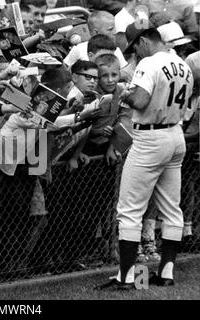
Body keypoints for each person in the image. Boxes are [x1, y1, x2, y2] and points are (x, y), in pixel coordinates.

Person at [97, 23, 194, 290]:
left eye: (134, 48)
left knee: (129, 210)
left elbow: (139, 101)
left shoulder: (149, 63)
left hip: (151, 137)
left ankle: (127, 278)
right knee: (172, 209)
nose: (134, 54)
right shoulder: (182, 63)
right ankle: (166, 273)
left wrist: (123, 93)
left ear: (142, 42)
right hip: (175, 134)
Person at [63, 11, 128, 70]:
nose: (115, 32)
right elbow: (66, 69)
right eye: (110, 29)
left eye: (114, 28)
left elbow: (125, 72)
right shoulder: (79, 49)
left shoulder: (116, 50)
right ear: (96, 32)